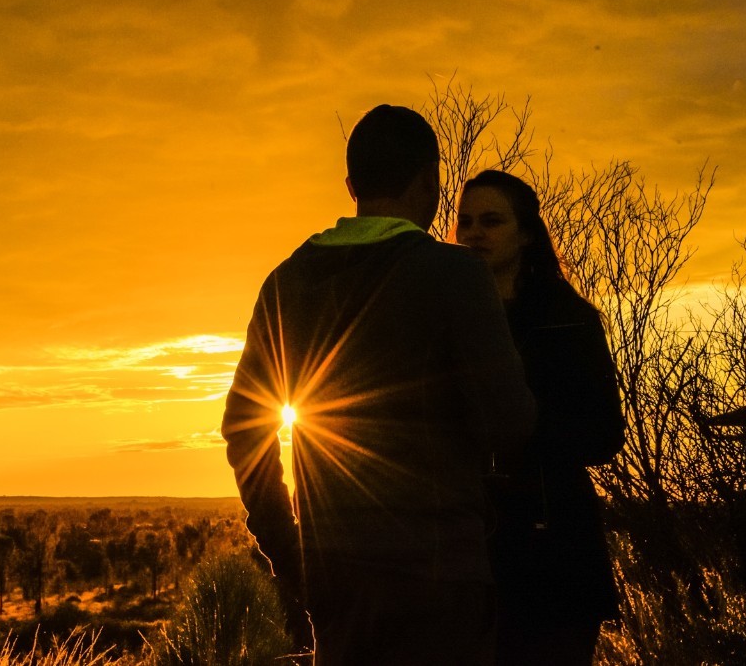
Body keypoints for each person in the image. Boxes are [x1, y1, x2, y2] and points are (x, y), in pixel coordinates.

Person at [221, 106, 537, 666]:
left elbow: (245, 431)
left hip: (335, 577)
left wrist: (291, 553)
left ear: (351, 186)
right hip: (440, 577)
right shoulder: (455, 275)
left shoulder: (286, 282)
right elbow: (509, 422)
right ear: (429, 184)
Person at [456, 170, 624, 666]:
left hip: (554, 554)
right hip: (468, 554)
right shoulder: (449, 315)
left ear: (527, 232)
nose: (474, 234)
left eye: (491, 221)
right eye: (465, 222)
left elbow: (604, 434)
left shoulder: (569, 319)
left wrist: (524, 430)